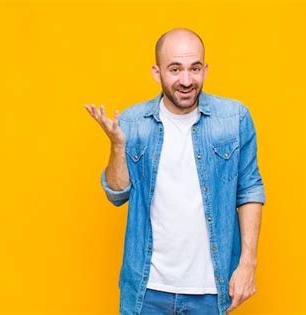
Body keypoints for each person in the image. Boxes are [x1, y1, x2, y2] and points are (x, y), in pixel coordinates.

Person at [84, 27, 265, 315]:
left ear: (205, 68)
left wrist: (247, 264)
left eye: (195, 68)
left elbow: (250, 189)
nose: (186, 80)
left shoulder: (234, 118)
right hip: (147, 289)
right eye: (175, 69)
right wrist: (118, 147)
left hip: (210, 291)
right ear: (157, 73)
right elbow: (117, 194)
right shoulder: (133, 121)